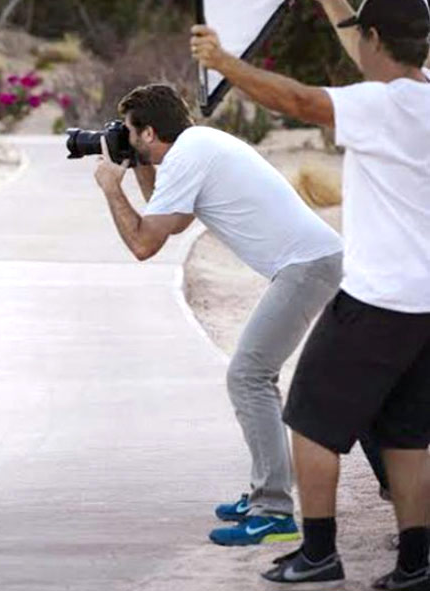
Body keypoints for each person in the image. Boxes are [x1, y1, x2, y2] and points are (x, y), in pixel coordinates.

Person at [192, 0, 430, 587]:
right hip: (424, 305)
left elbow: (298, 99)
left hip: (377, 301)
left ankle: (319, 551)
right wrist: (335, 5)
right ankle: (417, 562)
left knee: (309, 419)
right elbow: (367, 66)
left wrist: (224, 60)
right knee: (405, 436)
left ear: (375, 37)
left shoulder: (379, 105)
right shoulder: (420, 99)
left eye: (361, 37)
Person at [92, 83, 343, 546]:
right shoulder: (195, 146)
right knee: (261, 375)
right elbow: (171, 218)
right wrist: (141, 166)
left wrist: (111, 189)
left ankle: (274, 511)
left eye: (129, 133)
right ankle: (266, 493)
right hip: (310, 261)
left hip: (305, 266)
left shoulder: (190, 154)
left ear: (148, 132)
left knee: (248, 375)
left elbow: (145, 243)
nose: (125, 141)